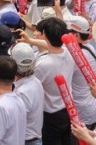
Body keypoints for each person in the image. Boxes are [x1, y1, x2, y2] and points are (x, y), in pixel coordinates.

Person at [32, 17, 75, 145]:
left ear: (44, 34)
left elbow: (34, 85)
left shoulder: (43, 63)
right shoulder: (69, 52)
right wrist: (30, 40)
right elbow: (51, 44)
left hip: (51, 115)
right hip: (68, 109)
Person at [10, 43, 44, 145]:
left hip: (27, 140)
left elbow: (15, 122)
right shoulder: (35, 81)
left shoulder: (22, 92)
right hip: (34, 138)